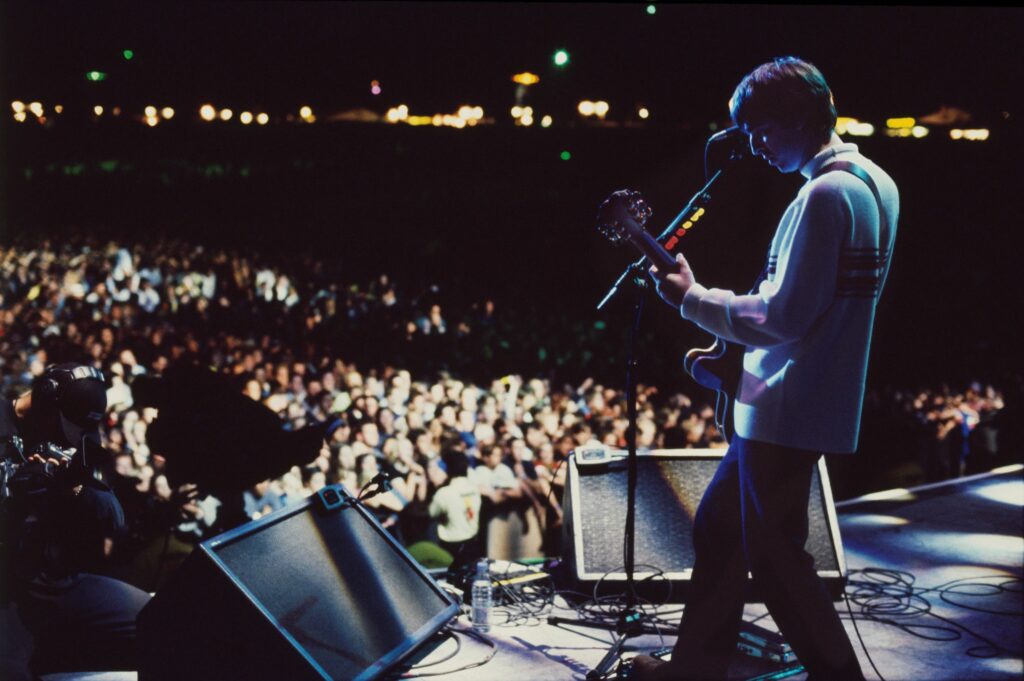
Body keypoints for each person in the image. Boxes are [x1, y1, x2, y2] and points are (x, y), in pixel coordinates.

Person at [634, 57, 898, 681]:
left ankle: (838, 675)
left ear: (800, 117)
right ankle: (693, 668)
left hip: (784, 405)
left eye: (760, 128)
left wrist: (690, 299)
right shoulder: (877, 181)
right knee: (723, 530)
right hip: (802, 398)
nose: (753, 144)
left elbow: (782, 317)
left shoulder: (825, 195)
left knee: (777, 562)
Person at [1, 363, 152, 674]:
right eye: (64, 427)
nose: (70, 438)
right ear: (45, 398)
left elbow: (114, 516)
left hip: (52, 579)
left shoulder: (78, 436)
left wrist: (74, 487)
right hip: (5, 585)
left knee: (157, 617)